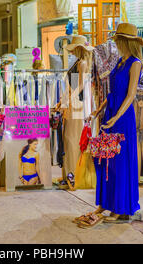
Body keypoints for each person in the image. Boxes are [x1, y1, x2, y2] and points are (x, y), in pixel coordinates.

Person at [75, 23, 143, 228]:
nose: (117, 44)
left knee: (119, 162)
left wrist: (116, 117)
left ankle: (120, 207)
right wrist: (98, 111)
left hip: (122, 118)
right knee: (106, 160)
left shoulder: (135, 63)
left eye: (119, 41)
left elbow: (130, 95)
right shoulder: (120, 61)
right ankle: (105, 204)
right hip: (110, 114)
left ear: (127, 42)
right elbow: (112, 93)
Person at [55, 35, 94, 184]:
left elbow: (82, 84)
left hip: (77, 104)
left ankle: (73, 174)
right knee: (68, 139)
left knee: (72, 140)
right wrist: (63, 101)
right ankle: (68, 173)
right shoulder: (78, 62)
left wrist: (70, 99)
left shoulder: (82, 63)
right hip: (73, 102)